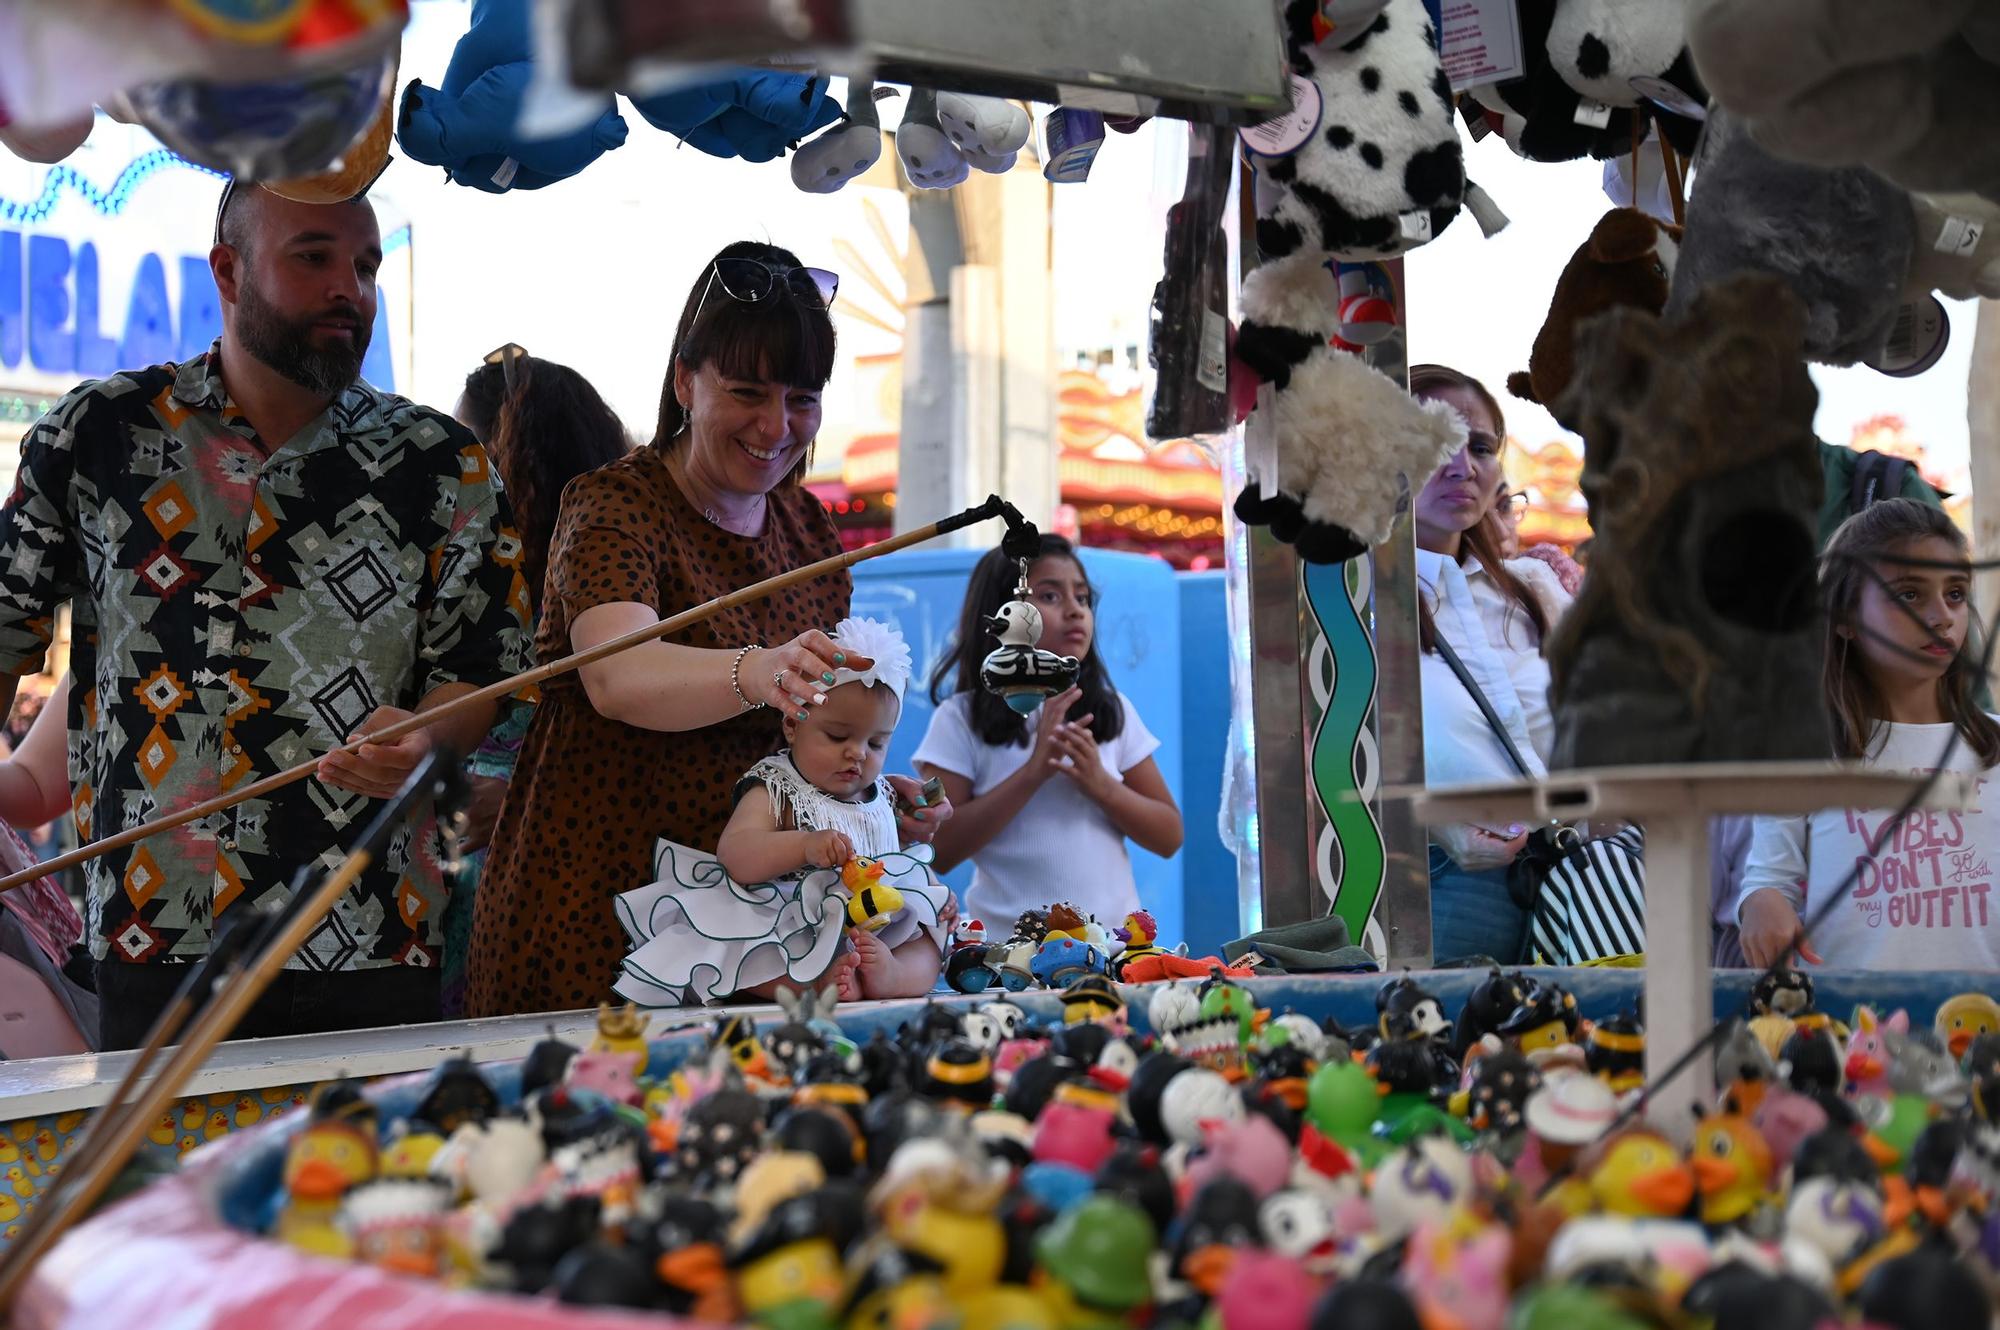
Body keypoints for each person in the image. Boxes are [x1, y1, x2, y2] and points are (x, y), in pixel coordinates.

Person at [0, 183, 526, 1048]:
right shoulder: (96, 433)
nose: (348, 290)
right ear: (230, 271)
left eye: (364, 265)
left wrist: (430, 737)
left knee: (366, 1181)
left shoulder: (445, 464)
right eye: (313, 257)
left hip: (373, 932)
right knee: (165, 1182)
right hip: (152, 934)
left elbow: (482, 673)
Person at [465, 241, 950, 1018]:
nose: (776, 425)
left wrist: (858, 788)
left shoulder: (809, 532)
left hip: (759, 942)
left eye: (802, 398)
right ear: (685, 380)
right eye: (748, 391)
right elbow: (618, 676)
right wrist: (756, 671)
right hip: (601, 912)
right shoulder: (615, 505)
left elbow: (811, 725)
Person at [616, 617, 953, 1004]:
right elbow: (736, 854)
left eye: (876, 743)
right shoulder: (779, 786)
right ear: (793, 724)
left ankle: (895, 976)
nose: (857, 753)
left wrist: (930, 888)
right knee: (740, 948)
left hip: (874, 922)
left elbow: (899, 861)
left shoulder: (881, 794)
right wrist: (804, 846)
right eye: (837, 736)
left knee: (934, 931)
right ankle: (814, 982)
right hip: (794, 920)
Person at [439, 350, 631, 1017]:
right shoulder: (489, 567)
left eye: (470, 446)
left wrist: (515, 789)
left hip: (544, 890)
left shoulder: (593, 571)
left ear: (511, 458)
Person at [1737, 498, 2000, 970]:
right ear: (1844, 620)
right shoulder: (1803, 751)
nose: (1941, 616)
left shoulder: (1994, 748)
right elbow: (1767, 880)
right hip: (1853, 1031)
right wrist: (1760, 906)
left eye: (1955, 594)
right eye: (1909, 595)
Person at [913, 535, 1182, 933]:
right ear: (1004, 614)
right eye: (1051, 597)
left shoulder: (1111, 711)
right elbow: (938, 849)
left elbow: (1168, 835)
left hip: (1112, 948)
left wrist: (1101, 786)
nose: (1075, 611)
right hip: (1009, 957)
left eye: (1083, 598)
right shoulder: (960, 719)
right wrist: (1033, 773)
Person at [1410, 365, 1574, 966]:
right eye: (1434, 443)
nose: (1463, 466)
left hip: (1571, 871)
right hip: (1452, 881)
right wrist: (1435, 826)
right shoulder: (1355, 609)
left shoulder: (1532, 587)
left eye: (1480, 446)